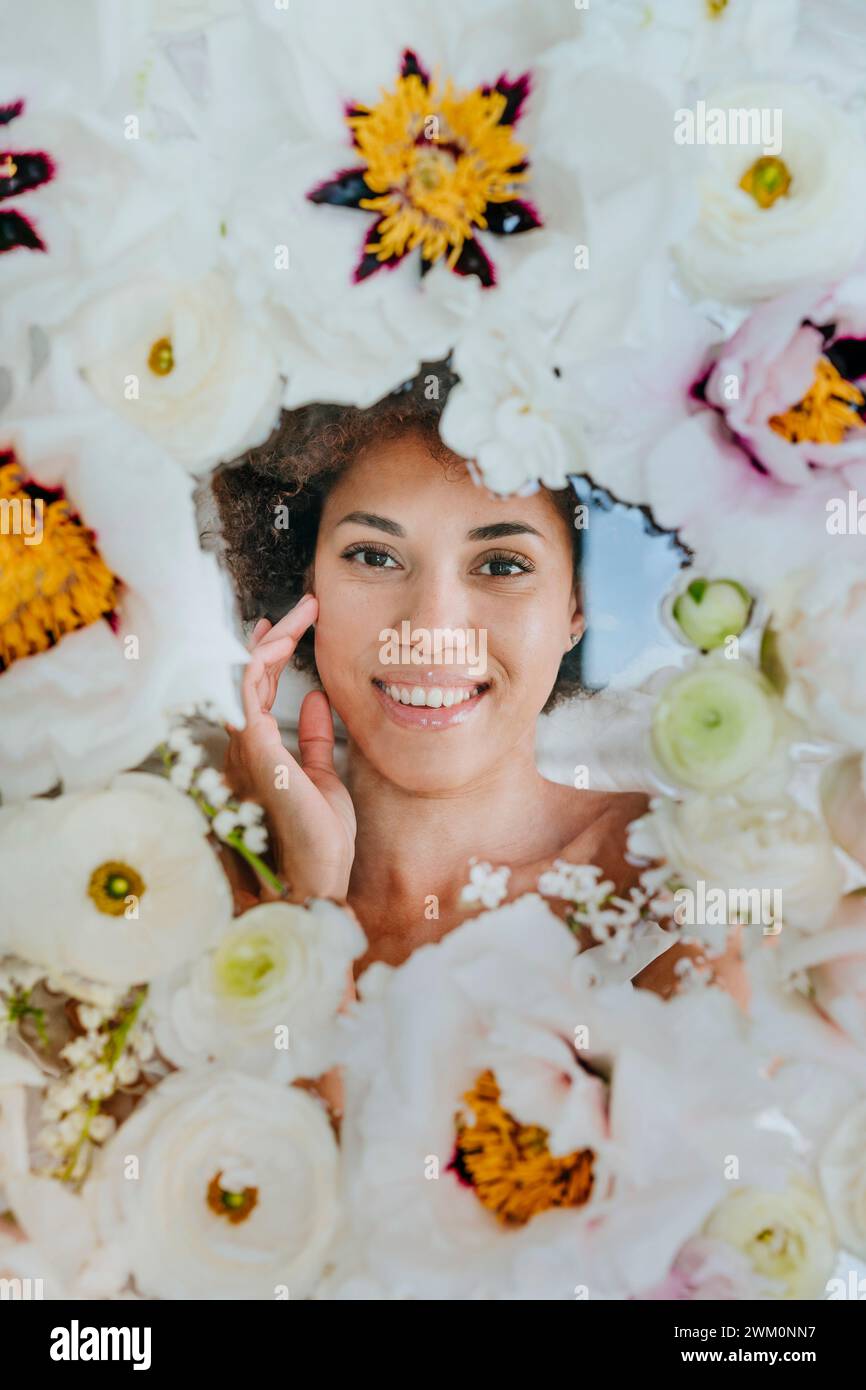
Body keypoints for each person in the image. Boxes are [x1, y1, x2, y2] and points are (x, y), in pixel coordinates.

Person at [213, 365, 662, 977]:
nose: (429, 632)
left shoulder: (676, 871)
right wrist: (308, 902)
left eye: (502, 565)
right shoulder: (192, 873)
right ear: (305, 584)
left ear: (576, 607)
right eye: (374, 556)